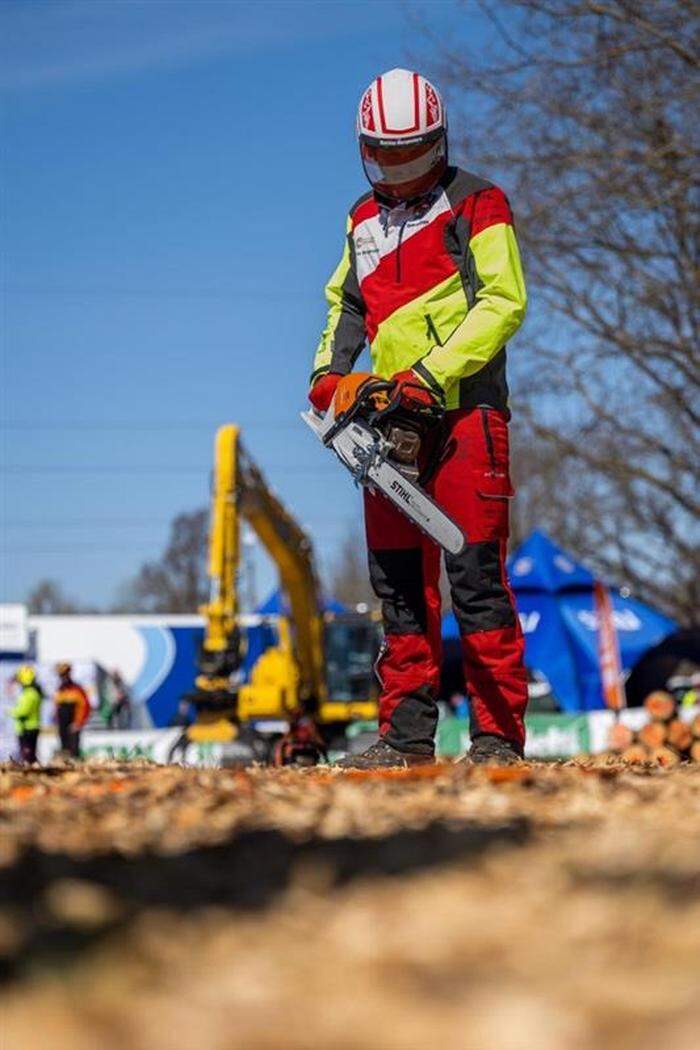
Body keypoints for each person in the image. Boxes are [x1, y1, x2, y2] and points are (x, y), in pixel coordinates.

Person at [309, 69, 528, 768]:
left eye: (411, 153)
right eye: (385, 155)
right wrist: (330, 379)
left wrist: (431, 374)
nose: (398, 169)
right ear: (365, 149)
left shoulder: (478, 205)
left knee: (476, 578)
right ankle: (405, 739)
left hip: (466, 413)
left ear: (438, 142)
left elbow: (504, 300)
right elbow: (344, 306)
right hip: (388, 427)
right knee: (398, 585)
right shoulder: (360, 221)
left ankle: (497, 738)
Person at [53, 662, 90, 758]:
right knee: (64, 751)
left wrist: (78, 723)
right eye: (61, 675)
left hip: (73, 726)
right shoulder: (60, 690)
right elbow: (57, 708)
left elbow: (85, 707)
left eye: (64, 674)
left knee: (74, 753)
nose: (63, 677)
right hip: (62, 727)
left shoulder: (77, 689)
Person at [10, 665, 43, 764]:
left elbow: (23, 711)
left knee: (28, 756)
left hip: (27, 728)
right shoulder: (31, 692)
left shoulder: (30, 693)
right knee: (28, 755)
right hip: (28, 728)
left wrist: (11, 712)